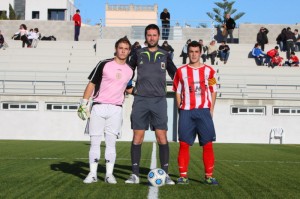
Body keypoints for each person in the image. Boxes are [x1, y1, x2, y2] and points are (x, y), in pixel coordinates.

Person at [125, 24, 177, 185]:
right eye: (149, 35)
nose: (152, 38)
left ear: (159, 36)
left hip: (159, 101)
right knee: (137, 137)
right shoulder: (137, 53)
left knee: (161, 137)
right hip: (140, 100)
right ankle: (134, 175)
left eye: (154, 35)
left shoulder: (165, 54)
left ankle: (166, 174)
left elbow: (176, 74)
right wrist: (131, 89)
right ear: (145, 37)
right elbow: (127, 72)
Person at [77, 37, 133, 184]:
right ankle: (92, 174)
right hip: (98, 106)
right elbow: (91, 83)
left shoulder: (130, 70)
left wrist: (146, 91)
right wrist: (84, 103)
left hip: (116, 109)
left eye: (126, 49)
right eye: (120, 48)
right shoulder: (104, 64)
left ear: (129, 51)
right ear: (116, 49)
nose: (123, 51)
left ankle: (109, 174)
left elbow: (128, 88)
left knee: (111, 143)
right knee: (95, 142)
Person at [173, 41, 218, 185]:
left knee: (208, 144)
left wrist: (211, 110)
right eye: (191, 51)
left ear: (200, 53)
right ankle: (183, 176)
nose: (193, 54)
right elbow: (178, 91)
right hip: (186, 112)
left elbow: (213, 90)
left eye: (196, 51)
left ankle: (209, 176)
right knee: (184, 144)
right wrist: (180, 108)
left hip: (204, 112)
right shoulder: (181, 71)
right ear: (188, 53)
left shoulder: (209, 71)